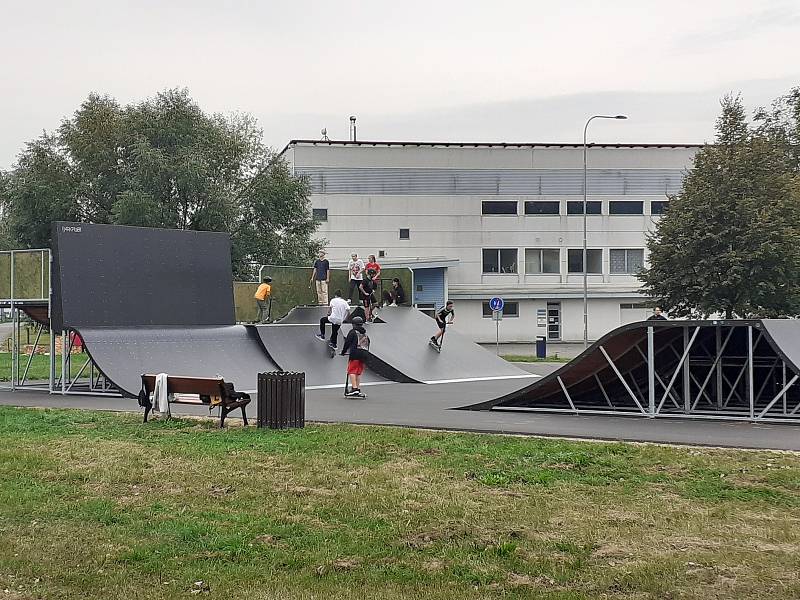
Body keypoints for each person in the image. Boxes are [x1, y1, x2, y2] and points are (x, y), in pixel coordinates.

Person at [341, 316, 369, 397]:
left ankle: (354, 389)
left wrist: (343, 351)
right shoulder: (364, 334)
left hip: (355, 354)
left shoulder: (353, 332)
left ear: (353, 324)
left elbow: (347, 342)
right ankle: (358, 388)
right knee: (358, 372)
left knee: (352, 371)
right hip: (364, 355)